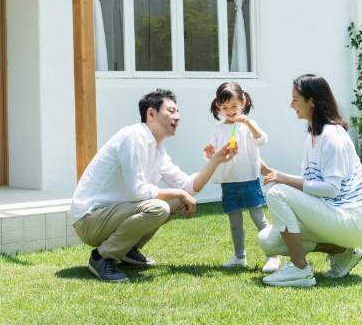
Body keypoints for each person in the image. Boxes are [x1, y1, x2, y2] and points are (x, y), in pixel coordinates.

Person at [70, 89, 238, 282]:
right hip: (89, 219)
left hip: (111, 216)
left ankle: (127, 249)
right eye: (172, 111)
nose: (178, 117)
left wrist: (216, 159)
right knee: (158, 207)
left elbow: (188, 186)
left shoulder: (158, 150)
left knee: (178, 199)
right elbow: (137, 192)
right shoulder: (134, 136)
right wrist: (178, 193)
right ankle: (101, 257)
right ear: (151, 114)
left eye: (178, 112)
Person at [258, 74, 362, 288]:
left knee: (276, 192)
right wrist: (273, 173)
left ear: (312, 101)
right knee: (267, 240)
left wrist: (285, 180)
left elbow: (331, 189)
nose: (291, 104)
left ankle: (299, 269)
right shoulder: (312, 137)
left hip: (354, 218)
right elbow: (308, 186)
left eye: (295, 99)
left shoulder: (332, 135)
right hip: (333, 214)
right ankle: (342, 252)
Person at [203, 82, 281, 273]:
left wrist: (249, 124)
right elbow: (213, 155)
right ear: (218, 107)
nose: (230, 111)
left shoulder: (248, 124)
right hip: (228, 182)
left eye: (234, 106)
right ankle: (239, 257)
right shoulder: (218, 128)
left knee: (259, 219)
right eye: (225, 107)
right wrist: (210, 152)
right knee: (235, 223)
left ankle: (273, 256)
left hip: (249, 180)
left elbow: (261, 140)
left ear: (243, 102)